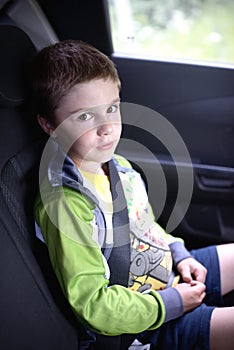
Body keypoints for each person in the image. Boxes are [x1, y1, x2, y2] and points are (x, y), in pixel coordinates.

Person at [30, 39, 234, 350]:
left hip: (170, 275)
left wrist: (179, 254)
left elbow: (147, 229)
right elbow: (94, 305)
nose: (107, 127)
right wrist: (172, 303)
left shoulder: (119, 167)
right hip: (145, 325)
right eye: (85, 117)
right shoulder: (66, 204)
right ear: (49, 124)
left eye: (111, 108)